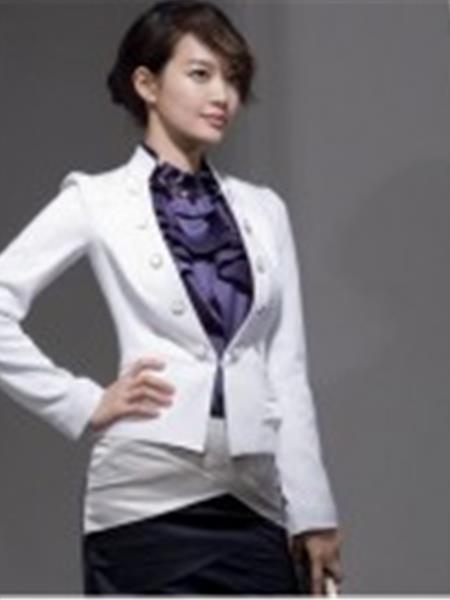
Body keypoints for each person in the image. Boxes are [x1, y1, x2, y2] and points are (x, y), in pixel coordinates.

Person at [0, 0, 343, 595]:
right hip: (143, 496)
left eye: (233, 78)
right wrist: (82, 402)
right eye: (201, 74)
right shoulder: (97, 200)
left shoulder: (264, 210)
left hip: (255, 498)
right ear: (147, 84)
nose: (223, 95)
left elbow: (286, 371)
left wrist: (313, 510)